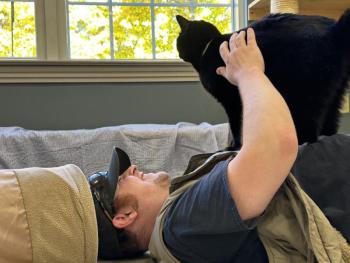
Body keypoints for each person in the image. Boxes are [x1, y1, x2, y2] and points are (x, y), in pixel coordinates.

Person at [90, 28, 350, 262]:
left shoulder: (183, 225)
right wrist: (249, 72)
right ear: (123, 217)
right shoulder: (180, 224)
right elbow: (275, 147)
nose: (132, 169)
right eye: (122, 179)